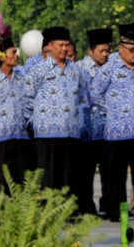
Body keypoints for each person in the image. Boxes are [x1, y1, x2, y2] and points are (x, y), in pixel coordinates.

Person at [91, 23, 134, 222]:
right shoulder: (109, 67)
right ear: (121, 48)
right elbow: (95, 94)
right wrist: (114, 110)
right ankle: (117, 212)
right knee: (116, 177)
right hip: (117, 130)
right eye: (131, 50)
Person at [24, 26, 87, 194]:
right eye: (61, 45)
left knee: (70, 177)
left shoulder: (76, 71)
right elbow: (27, 99)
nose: (65, 49)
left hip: (71, 132)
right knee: (48, 176)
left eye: (67, 45)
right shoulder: (38, 70)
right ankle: (47, 212)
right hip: (46, 133)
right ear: (50, 46)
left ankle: (69, 214)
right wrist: (33, 123)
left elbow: (83, 99)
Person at [0, 37, 35, 190]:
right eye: (13, 52)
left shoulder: (22, 76)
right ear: (2, 56)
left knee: (21, 183)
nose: (16, 55)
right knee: (0, 182)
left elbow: (30, 102)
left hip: (20, 136)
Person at [77, 28, 113, 216]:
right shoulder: (79, 70)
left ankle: (109, 204)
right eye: (102, 51)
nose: (106, 54)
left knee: (110, 171)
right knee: (86, 173)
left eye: (108, 50)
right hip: (88, 130)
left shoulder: (113, 67)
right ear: (90, 51)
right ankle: (86, 207)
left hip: (109, 129)